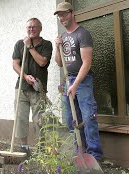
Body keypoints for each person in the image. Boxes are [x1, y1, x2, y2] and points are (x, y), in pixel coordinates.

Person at [54, 2, 103, 161]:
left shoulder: (83, 34)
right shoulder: (63, 37)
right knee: (71, 120)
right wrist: (57, 46)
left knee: (88, 118)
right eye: (59, 15)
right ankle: (80, 153)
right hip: (67, 80)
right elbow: (60, 63)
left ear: (71, 13)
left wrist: (75, 85)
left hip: (82, 81)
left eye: (64, 14)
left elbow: (87, 63)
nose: (61, 18)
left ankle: (95, 155)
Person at [12, 18, 52, 154]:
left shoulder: (47, 45)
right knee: (20, 119)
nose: (31, 29)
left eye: (34, 27)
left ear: (40, 29)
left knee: (39, 120)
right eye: (29, 27)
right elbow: (15, 64)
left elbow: (42, 62)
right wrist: (24, 76)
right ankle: (24, 148)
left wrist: (30, 46)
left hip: (38, 89)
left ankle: (42, 148)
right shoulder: (19, 44)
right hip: (21, 88)